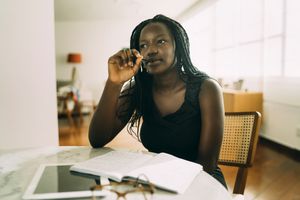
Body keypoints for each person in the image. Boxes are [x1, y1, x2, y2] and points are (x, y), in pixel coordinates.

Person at [89, 14, 227, 188]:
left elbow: (207, 163)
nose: (150, 50)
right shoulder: (138, 89)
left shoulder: (207, 88)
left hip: (200, 182)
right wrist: (113, 84)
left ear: (179, 46)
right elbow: (97, 139)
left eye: (161, 41)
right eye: (143, 45)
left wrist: (162, 185)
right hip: (156, 179)